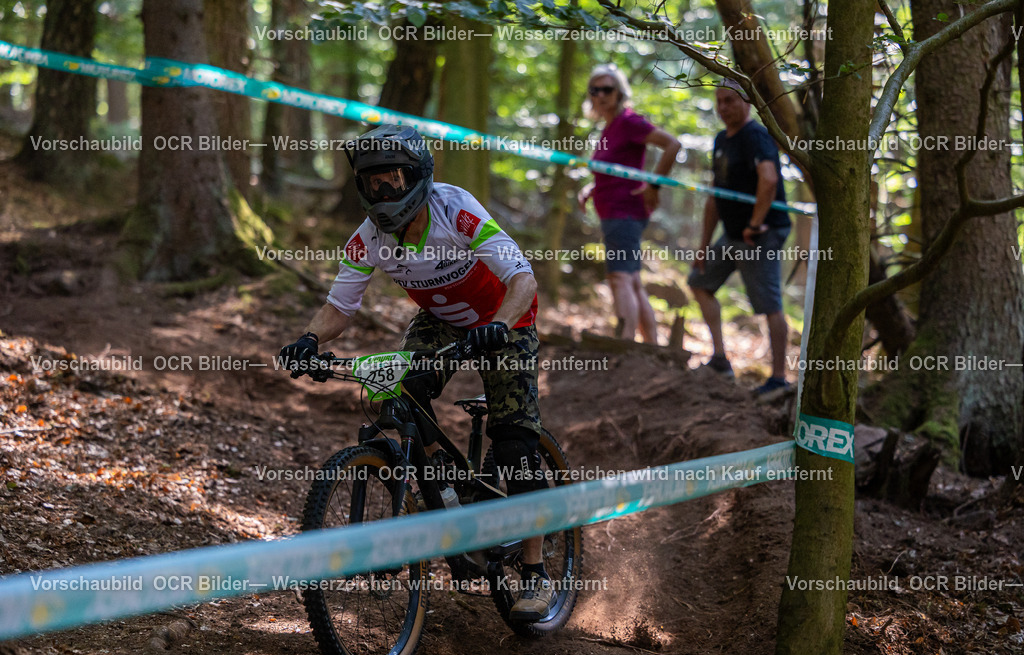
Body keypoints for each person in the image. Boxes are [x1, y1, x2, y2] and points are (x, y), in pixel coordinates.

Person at [279, 125, 555, 621]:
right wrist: (309, 340)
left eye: (393, 179)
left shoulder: (456, 209)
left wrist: (498, 324)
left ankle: (535, 574)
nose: (384, 191)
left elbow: (522, 278)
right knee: (396, 394)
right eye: (374, 183)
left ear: (418, 176)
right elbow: (339, 307)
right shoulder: (367, 239)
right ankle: (445, 491)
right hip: (442, 320)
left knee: (515, 441)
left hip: (504, 319)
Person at [688, 80, 791, 394]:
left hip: (761, 234)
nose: (723, 107)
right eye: (719, 101)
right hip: (732, 234)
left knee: (769, 304)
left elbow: (768, 179)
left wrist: (755, 223)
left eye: (730, 100)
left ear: (747, 101)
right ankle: (720, 360)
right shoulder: (721, 140)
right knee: (700, 282)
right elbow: (714, 196)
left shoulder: (756, 135)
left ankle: (778, 379)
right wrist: (704, 246)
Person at [577, 63, 681, 344]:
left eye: (607, 89)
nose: (600, 95)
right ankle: (651, 347)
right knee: (632, 279)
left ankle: (625, 344)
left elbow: (672, 144)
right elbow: (614, 171)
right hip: (615, 212)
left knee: (619, 278)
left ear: (620, 92)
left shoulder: (629, 122)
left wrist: (654, 184)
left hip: (624, 213)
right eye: (595, 90)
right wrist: (592, 188)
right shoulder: (610, 127)